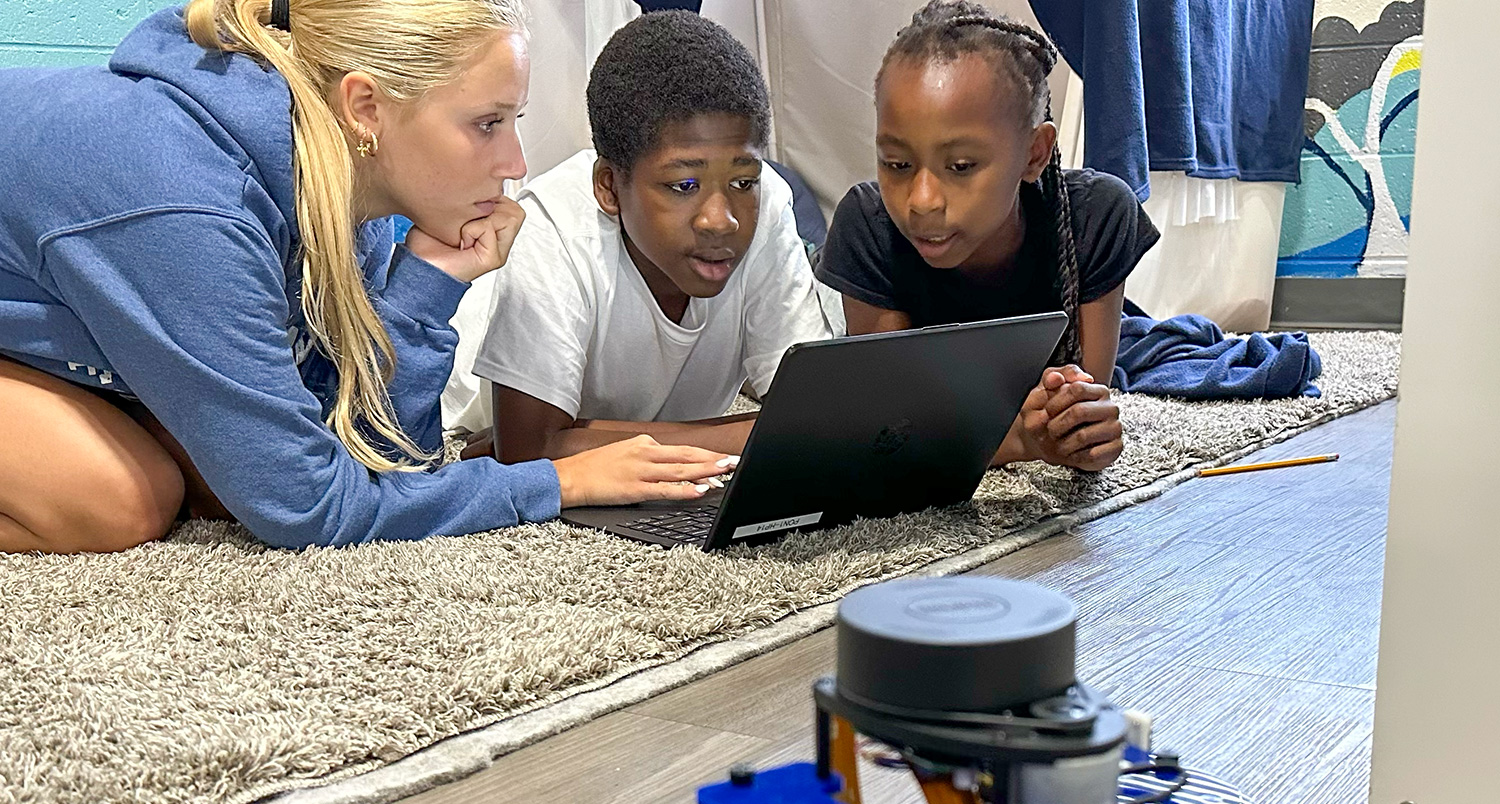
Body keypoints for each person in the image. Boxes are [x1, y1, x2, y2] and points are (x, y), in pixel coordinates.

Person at [0, 0, 734, 555]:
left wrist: (428, 283)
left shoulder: (350, 183)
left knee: (228, 471)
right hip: (133, 234)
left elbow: (376, 452)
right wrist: (558, 483)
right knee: (125, 499)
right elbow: (309, 508)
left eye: (515, 121)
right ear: (365, 108)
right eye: (487, 124)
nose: (515, 163)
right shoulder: (188, 203)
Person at [473, 9, 841, 466]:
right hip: (463, 394)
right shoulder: (551, 229)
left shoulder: (768, 207)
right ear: (608, 187)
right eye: (684, 186)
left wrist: (584, 436)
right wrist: (751, 434)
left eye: (743, 183)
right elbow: (529, 453)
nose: (721, 219)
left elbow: (818, 422)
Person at [817, 2, 1161, 473]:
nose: (921, 201)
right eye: (897, 165)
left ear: (1035, 153)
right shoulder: (867, 224)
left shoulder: (1096, 215)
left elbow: (1081, 415)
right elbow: (890, 432)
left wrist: (1079, 428)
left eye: (960, 167)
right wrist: (1024, 439)